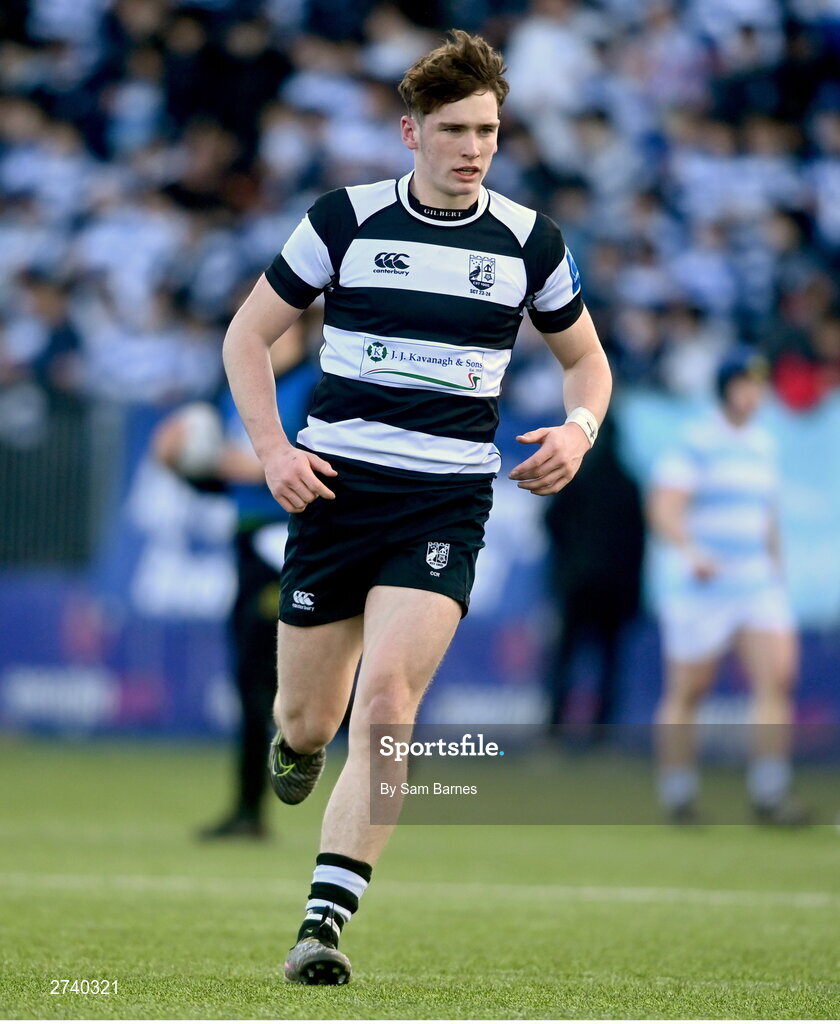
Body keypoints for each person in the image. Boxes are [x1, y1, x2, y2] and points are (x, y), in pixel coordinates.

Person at [222, 29, 612, 985]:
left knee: (389, 704)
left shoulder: (530, 242)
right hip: (334, 495)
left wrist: (578, 430)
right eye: (453, 129)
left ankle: (322, 925)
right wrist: (273, 450)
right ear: (411, 131)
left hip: (443, 505)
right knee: (311, 719)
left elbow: (588, 363)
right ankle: (295, 742)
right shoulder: (344, 220)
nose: (473, 147)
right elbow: (246, 336)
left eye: (487, 128)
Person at [154, 324, 316, 839]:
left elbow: (323, 466)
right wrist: (186, 466)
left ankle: (400, 757)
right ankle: (248, 809)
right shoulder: (237, 387)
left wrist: (233, 463)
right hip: (250, 544)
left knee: (298, 675)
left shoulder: (316, 383)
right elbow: (220, 481)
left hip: (294, 542)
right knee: (251, 675)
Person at [648, 347, 810, 826]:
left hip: (755, 582)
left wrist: (776, 568)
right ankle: (678, 793)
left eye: (758, 385)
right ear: (725, 389)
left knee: (778, 678)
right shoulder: (696, 441)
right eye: (744, 384)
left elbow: (768, 517)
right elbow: (665, 508)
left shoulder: (763, 444)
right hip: (704, 587)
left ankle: (770, 792)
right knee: (689, 690)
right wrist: (693, 553)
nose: (752, 394)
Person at [543, 414, 645, 734]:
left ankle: (554, 730)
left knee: (565, 658)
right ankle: (602, 732)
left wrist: (565, 567)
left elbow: (551, 523)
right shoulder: (629, 484)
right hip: (614, 590)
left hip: (577, 584)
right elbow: (638, 545)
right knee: (609, 661)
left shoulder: (575, 478)